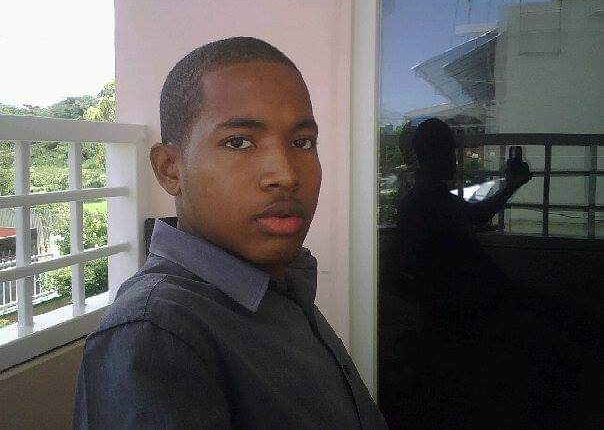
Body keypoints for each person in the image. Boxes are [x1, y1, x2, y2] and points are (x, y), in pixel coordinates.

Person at [72, 37, 388, 429]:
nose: (285, 175)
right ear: (170, 168)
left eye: (302, 142)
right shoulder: (156, 335)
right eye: (239, 142)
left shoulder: (280, 282)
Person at [394, 118, 596, 429]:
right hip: (475, 310)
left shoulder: (425, 200)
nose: (454, 158)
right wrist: (512, 184)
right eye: (448, 150)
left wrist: (512, 183)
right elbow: (476, 217)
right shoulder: (428, 202)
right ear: (434, 155)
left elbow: (475, 217)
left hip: (475, 306)